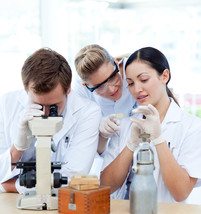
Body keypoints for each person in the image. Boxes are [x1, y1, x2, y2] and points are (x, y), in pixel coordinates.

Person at [100, 46, 201, 203]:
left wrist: (158, 139)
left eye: (144, 80)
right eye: (131, 83)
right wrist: (131, 144)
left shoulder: (192, 127)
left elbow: (180, 193)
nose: (137, 89)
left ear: (164, 76)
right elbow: (106, 186)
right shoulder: (126, 126)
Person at [0, 48, 101, 194]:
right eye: (38, 105)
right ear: (26, 90)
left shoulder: (88, 112)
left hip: (58, 206)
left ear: (68, 90)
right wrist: (18, 147)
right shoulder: (6, 103)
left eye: (53, 106)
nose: (46, 114)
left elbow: (72, 178)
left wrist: (10, 186)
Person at [73, 44, 137, 174]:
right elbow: (95, 149)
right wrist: (102, 134)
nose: (112, 89)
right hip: (110, 162)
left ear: (115, 63)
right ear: (86, 86)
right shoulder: (81, 93)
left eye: (112, 77)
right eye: (100, 87)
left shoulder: (134, 70)